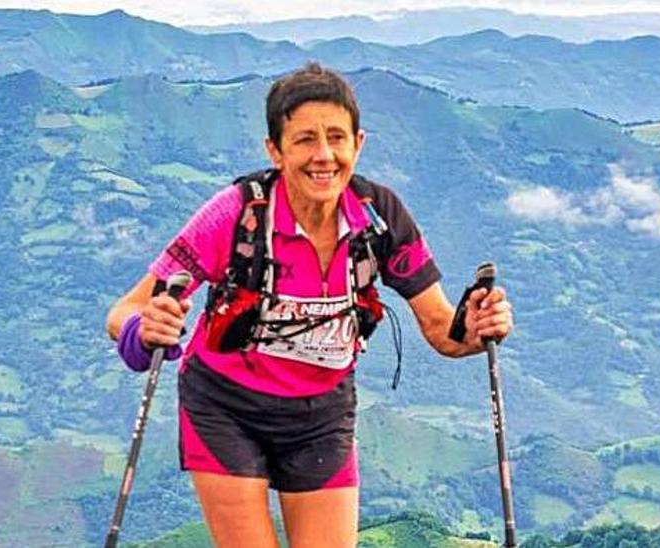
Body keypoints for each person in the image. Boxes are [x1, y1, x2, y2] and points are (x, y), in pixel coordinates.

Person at [105, 62, 513, 548]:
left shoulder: (379, 219)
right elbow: (124, 312)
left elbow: (443, 329)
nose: (324, 156)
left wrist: (478, 325)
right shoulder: (236, 215)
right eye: (304, 140)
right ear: (274, 150)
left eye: (336, 138)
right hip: (225, 410)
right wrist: (146, 329)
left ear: (358, 144)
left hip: (322, 415)